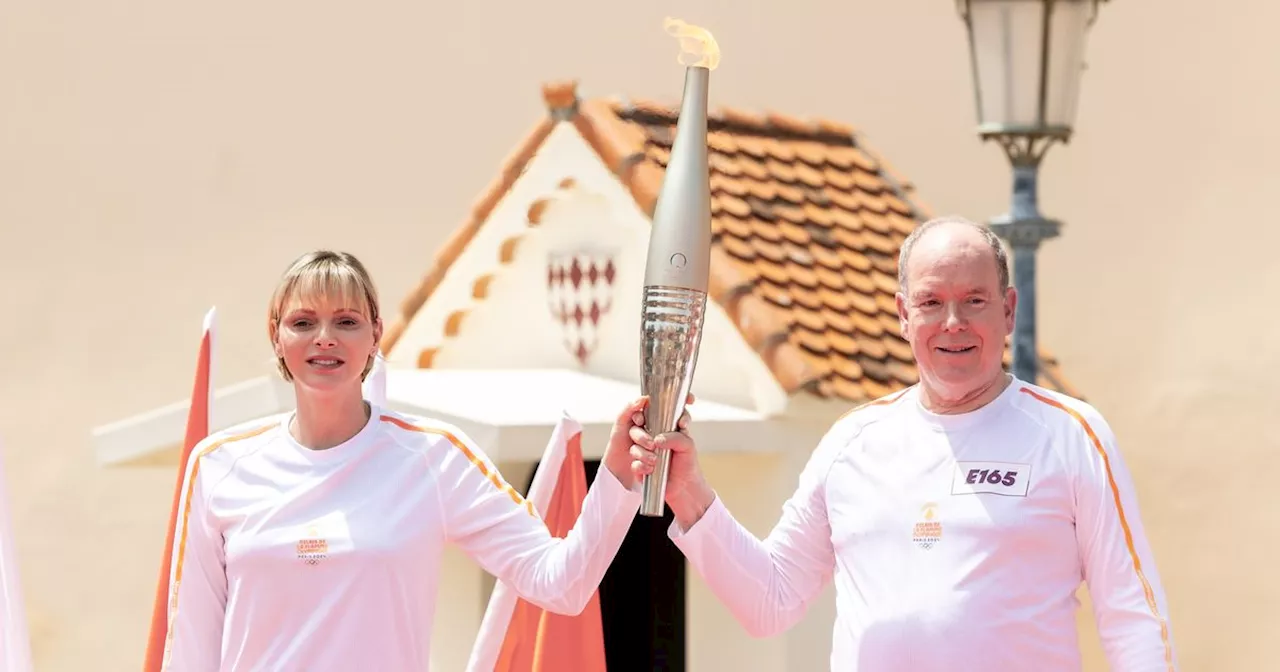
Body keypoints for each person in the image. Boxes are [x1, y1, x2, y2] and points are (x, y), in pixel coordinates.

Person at [628, 217, 1178, 671]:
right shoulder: (853, 442)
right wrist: (691, 495)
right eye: (932, 302)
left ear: (1009, 310)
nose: (953, 323)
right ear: (902, 314)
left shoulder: (1070, 435)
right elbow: (769, 601)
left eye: (975, 301)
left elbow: (1132, 616)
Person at [161, 250, 682, 670]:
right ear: (277, 335)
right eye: (303, 322)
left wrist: (617, 476)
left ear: (374, 338)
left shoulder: (433, 458)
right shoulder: (219, 466)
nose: (325, 337)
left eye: (346, 321)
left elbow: (561, 583)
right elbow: (190, 649)